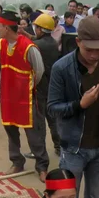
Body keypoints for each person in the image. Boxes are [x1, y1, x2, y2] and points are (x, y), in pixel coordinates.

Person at [48, 17, 99, 198]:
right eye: (90, 50)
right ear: (78, 41)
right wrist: (80, 104)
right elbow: (52, 107)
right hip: (73, 148)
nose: (95, 55)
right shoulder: (62, 68)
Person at [0, 11, 49, 182]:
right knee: (10, 130)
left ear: (6, 27)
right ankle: (17, 161)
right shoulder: (1, 44)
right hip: (8, 96)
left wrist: (28, 87)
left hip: (26, 98)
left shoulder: (28, 47)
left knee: (34, 133)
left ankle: (42, 166)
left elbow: (39, 71)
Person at [32, 12, 60, 155]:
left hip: (40, 86)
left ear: (41, 29)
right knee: (53, 120)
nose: (34, 30)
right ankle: (58, 146)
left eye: (36, 28)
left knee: (39, 122)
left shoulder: (36, 45)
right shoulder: (53, 43)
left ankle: (39, 150)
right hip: (52, 86)